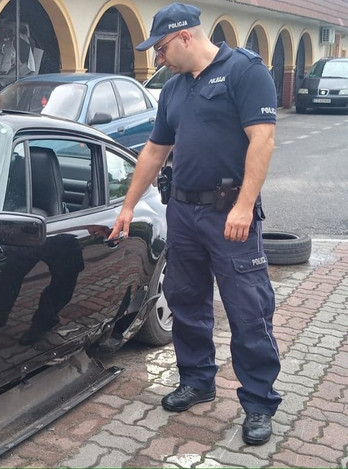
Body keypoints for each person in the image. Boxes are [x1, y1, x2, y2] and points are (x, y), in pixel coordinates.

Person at [108, 3, 281, 446]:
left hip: (230, 215)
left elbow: (262, 139)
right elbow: (154, 150)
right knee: (185, 300)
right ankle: (197, 380)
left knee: (248, 308)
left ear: (185, 36)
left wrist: (244, 206)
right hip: (182, 213)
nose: (158, 59)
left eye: (161, 48)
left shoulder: (245, 72)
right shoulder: (174, 89)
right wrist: (128, 206)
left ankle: (259, 402)